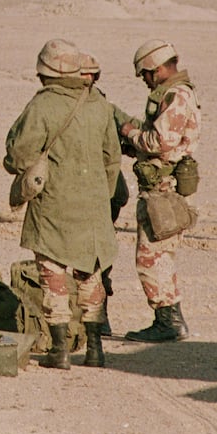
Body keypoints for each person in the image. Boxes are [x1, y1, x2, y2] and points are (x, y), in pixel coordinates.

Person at [5, 39, 122, 369]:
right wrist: (101, 195)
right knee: (91, 276)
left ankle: (59, 350)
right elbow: (112, 159)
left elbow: (19, 154)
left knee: (53, 274)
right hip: (94, 205)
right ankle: (95, 349)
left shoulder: (43, 105)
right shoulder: (100, 103)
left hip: (54, 204)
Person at [120, 39, 202, 342]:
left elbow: (160, 142)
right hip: (164, 188)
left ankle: (168, 322)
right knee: (160, 256)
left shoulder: (176, 96)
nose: (144, 80)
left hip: (163, 191)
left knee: (151, 258)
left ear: (156, 69)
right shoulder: (175, 94)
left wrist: (130, 132)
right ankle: (170, 319)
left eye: (144, 74)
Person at [80, 52, 132, 336]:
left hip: (99, 192)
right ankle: (96, 318)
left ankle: (96, 317)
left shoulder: (86, 106)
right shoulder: (104, 106)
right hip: (106, 190)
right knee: (98, 256)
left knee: (93, 257)